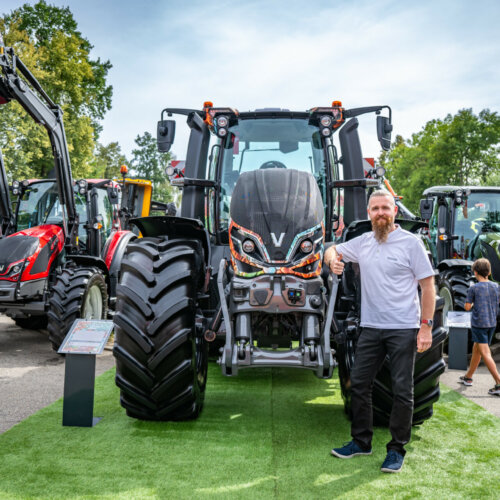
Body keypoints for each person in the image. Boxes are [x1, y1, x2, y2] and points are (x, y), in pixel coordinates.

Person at [325, 189, 435, 473]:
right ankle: (361, 441)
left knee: (402, 390)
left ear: (394, 211)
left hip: (403, 328)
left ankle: (397, 449)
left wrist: (426, 327)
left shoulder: (411, 244)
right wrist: (331, 259)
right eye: (375, 209)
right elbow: (332, 248)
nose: (380, 213)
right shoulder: (363, 243)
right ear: (369, 213)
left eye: (385, 208)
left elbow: (428, 287)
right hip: (371, 328)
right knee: (359, 385)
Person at [459, 258, 500, 396]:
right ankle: (468, 377)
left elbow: (467, 307)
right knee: (476, 349)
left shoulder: (473, 288)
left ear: (475, 272)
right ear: (488, 272)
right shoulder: (496, 286)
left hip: (479, 325)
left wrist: (475, 304)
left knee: (485, 353)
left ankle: (499, 383)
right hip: (491, 324)